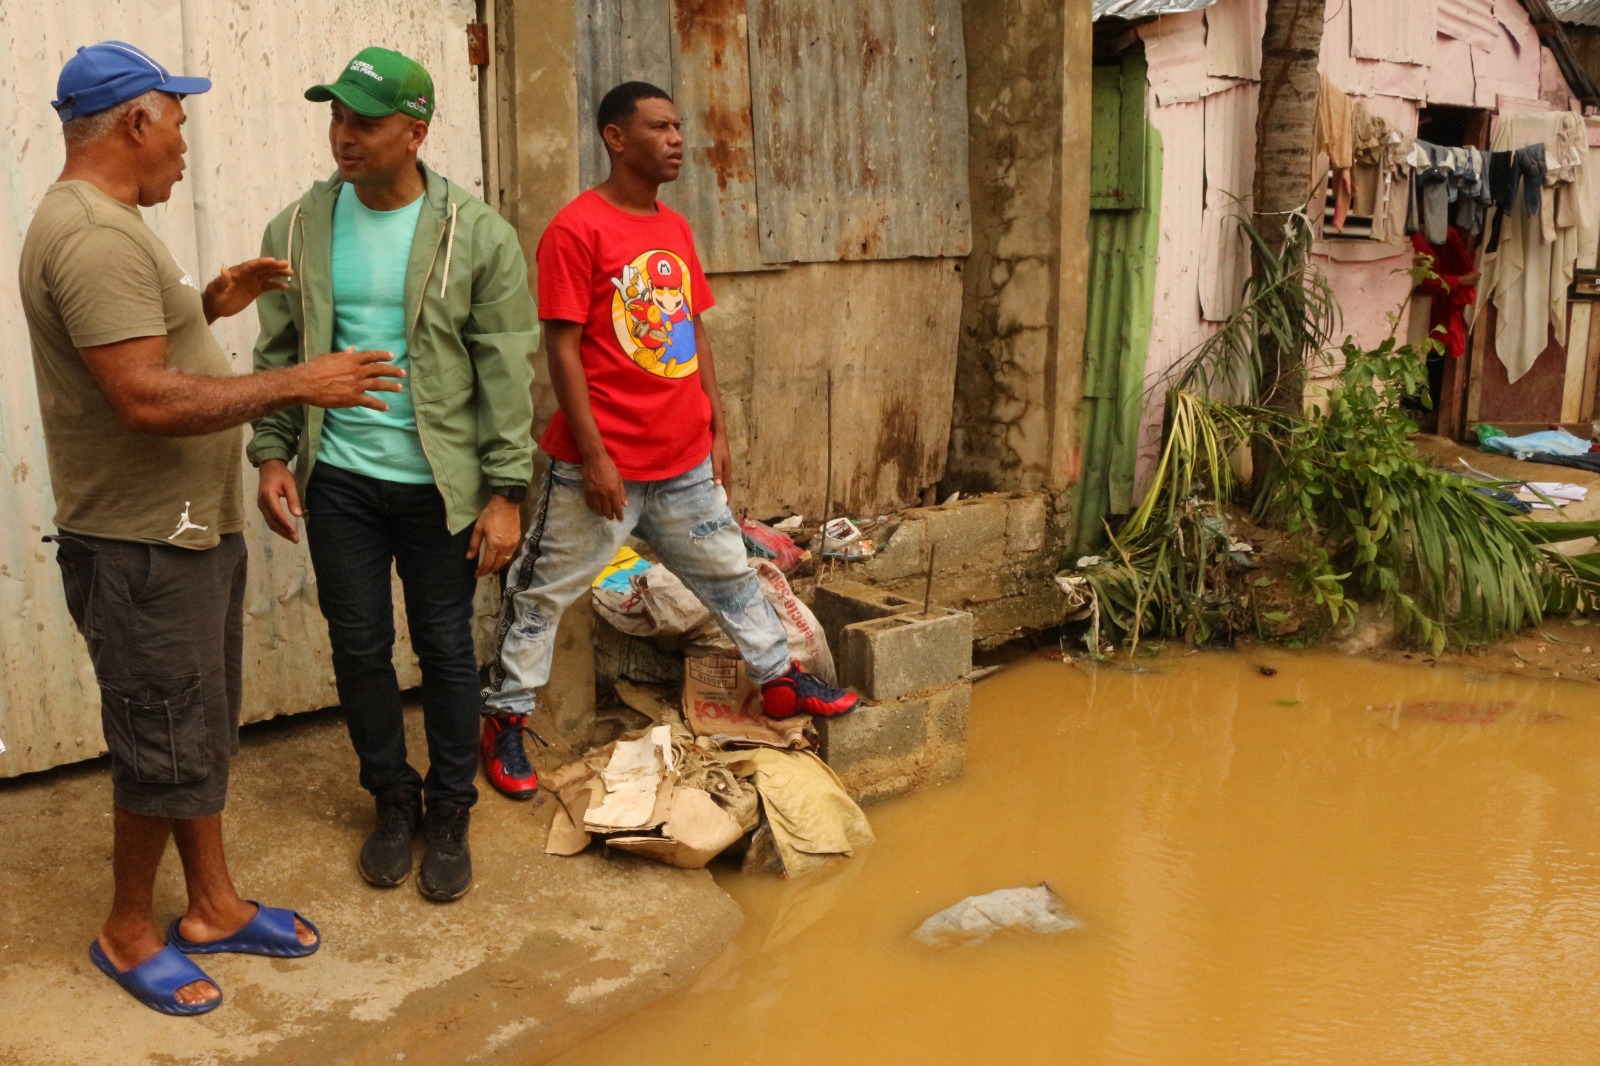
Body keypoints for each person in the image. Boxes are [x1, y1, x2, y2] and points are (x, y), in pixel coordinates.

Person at [20, 41, 406, 1016]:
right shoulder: (94, 235)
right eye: (179, 120)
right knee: (160, 740)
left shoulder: (104, 225)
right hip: (144, 542)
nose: (187, 143)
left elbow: (138, 343)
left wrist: (207, 304)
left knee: (194, 729)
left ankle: (213, 904)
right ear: (138, 123)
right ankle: (126, 928)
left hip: (182, 529)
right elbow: (143, 397)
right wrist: (297, 382)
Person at [478, 81, 858, 800]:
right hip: (602, 465)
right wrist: (592, 456)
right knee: (541, 595)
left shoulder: (674, 229)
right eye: (660, 126)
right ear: (617, 138)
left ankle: (779, 683)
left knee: (731, 575)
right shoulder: (575, 230)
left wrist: (716, 427)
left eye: (679, 125)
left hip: (683, 461)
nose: (678, 138)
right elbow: (560, 351)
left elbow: (693, 331)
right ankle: (502, 723)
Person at [248, 47, 536, 901]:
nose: (345, 136)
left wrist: (505, 491)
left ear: (415, 132)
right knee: (360, 646)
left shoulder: (474, 233)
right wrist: (271, 452)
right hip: (338, 479)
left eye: (365, 122)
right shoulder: (299, 227)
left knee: (447, 649)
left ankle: (450, 806)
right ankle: (391, 798)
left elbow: (507, 368)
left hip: (438, 487)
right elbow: (277, 352)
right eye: (337, 118)